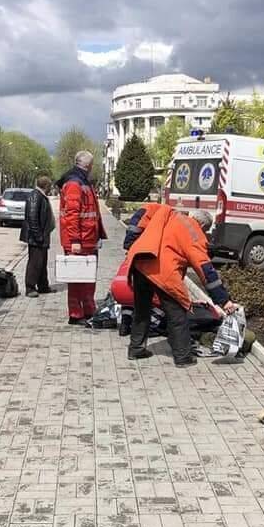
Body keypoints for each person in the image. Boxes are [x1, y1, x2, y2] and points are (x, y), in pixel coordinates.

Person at [125, 207, 238, 367]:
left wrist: (130, 241)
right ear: (204, 227)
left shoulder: (171, 214)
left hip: (140, 262)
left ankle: (136, 349)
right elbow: (205, 270)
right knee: (177, 314)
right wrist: (224, 300)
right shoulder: (194, 233)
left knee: (142, 309)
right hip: (163, 271)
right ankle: (183, 357)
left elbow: (143, 212)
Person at [57, 151, 107, 324]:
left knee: (87, 278)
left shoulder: (82, 181)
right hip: (80, 241)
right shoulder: (74, 183)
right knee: (77, 278)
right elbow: (72, 214)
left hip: (88, 239)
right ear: (88, 166)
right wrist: (75, 241)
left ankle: (88, 308)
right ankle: (76, 313)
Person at [20, 175, 55, 297]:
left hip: (42, 236)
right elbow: (32, 217)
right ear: (46, 186)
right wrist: (38, 235)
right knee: (35, 262)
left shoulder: (41, 196)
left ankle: (43, 285)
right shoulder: (35, 196)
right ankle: (30, 287)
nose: (51, 189)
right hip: (36, 237)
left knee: (42, 262)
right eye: (50, 186)